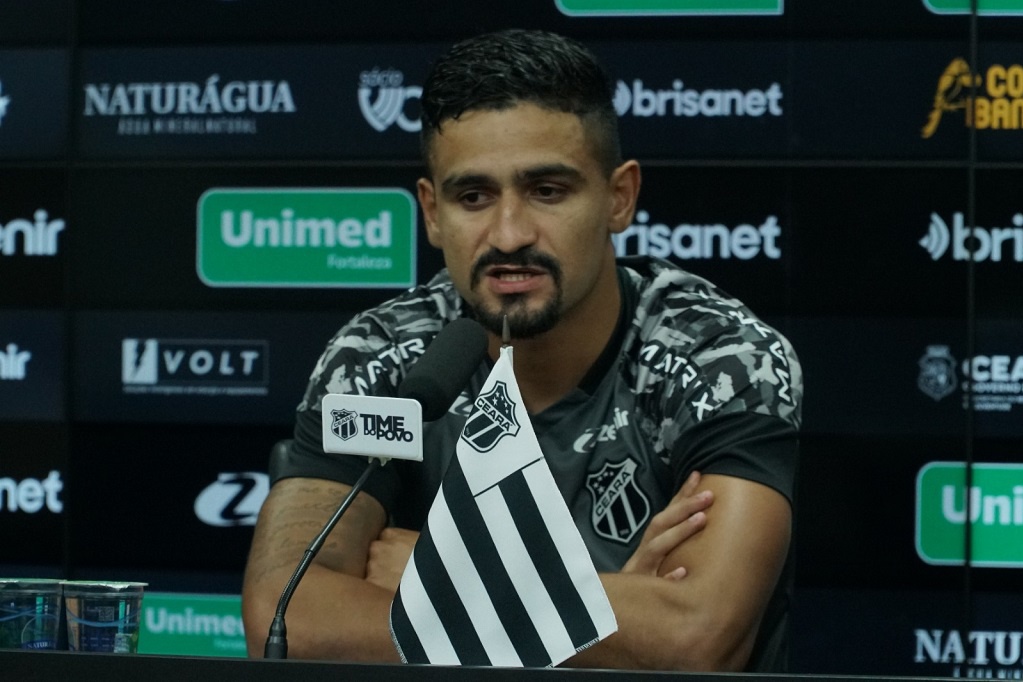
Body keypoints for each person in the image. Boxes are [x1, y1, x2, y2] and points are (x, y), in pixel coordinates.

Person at [242, 28, 802, 672]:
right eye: (473, 197)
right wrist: (607, 606)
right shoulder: (380, 356)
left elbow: (698, 639)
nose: (509, 235)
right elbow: (287, 619)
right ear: (432, 211)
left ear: (619, 198)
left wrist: (438, 573)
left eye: (547, 191)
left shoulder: (720, 357)